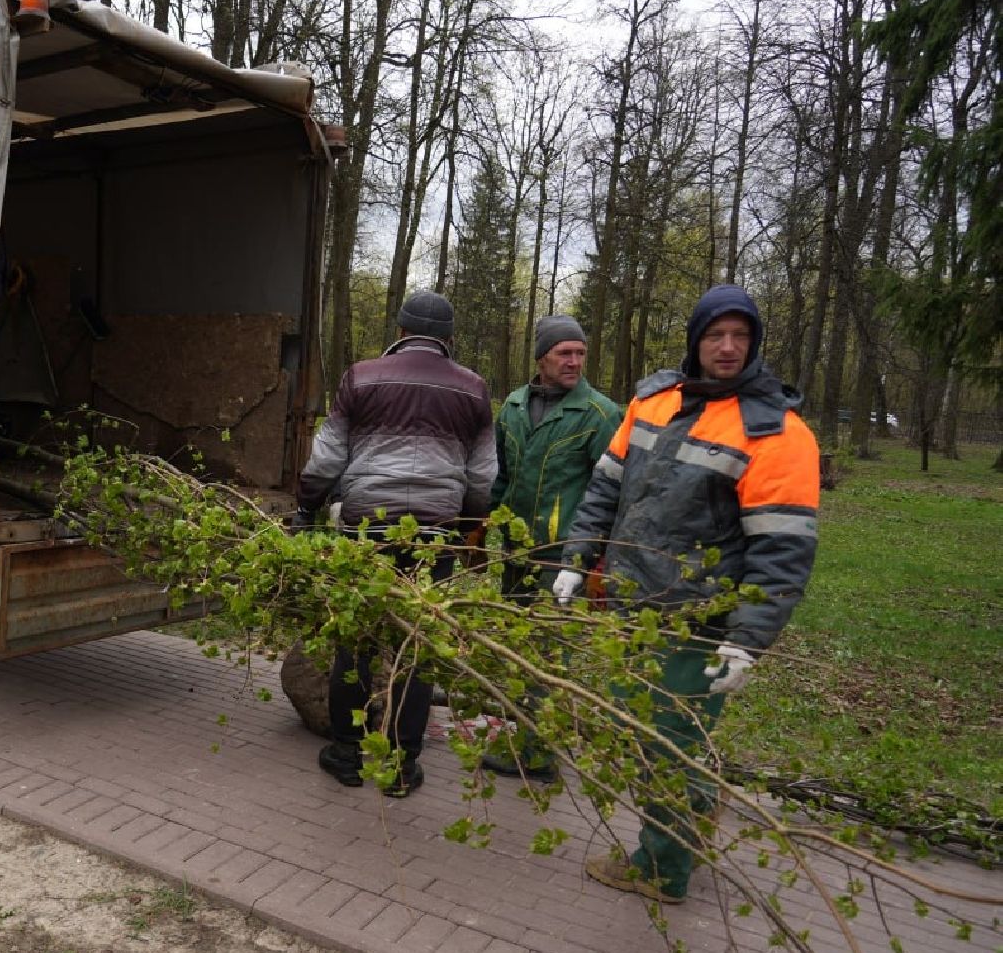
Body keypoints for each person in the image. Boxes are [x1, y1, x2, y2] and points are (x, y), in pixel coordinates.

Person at [553, 284, 820, 904]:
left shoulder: (775, 432)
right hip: (632, 605)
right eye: (714, 336)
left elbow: (782, 552)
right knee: (660, 735)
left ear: (754, 344)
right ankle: (689, 824)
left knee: (665, 743)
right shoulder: (654, 401)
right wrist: (576, 559)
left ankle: (661, 869)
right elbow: (606, 489)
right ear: (696, 340)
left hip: (696, 619)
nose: (727, 348)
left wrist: (749, 640)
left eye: (740, 337)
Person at [293, 290, 496, 797]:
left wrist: (306, 505)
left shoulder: (360, 377)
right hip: (435, 536)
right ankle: (403, 764)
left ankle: (347, 753)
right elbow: (483, 475)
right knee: (417, 646)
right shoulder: (473, 390)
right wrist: (469, 525)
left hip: (367, 529)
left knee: (355, 641)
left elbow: (327, 456)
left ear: (400, 330)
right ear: (449, 338)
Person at [483, 315, 620, 782]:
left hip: (562, 557)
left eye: (580, 353)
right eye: (565, 353)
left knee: (547, 652)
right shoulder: (515, 407)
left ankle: (537, 754)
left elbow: (614, 492)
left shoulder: (599, 414)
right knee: (515, 644)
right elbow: (501, 475)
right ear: (542, 357)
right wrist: (484, 525)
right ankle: (519, 735)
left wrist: (595, 560)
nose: (575, 361)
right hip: (515, 553)